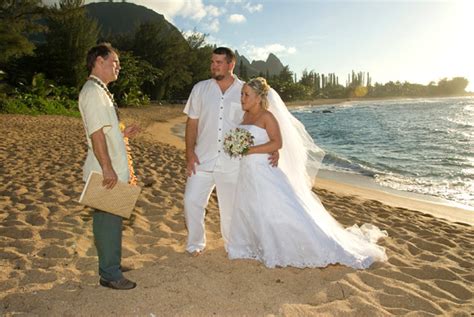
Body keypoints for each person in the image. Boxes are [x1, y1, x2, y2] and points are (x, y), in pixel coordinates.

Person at [227, 77, 388, 269]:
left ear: (258, 98)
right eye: (242, 94)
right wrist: (237, 146)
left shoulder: (267, 117)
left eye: (246, 94)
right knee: (251, 207)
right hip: (247, 172)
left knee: (276, 209)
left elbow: (277, 143)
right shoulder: (245, 117)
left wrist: (250, 150)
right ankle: (255, 245)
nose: (242, 98)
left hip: (264, 171)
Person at [183, 47, 278, 255]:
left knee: (230, 208)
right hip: (202, 158)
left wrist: (272, 147)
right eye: (212, 62)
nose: (214, 66)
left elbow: (260, 119)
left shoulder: (245, 90)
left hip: (232, 162)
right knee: (191, 201)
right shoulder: (200, 89)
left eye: (219, 62)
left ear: (231, 65)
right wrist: (189, 153)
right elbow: (191, 123)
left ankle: (232, 244)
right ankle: (195, 244)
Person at [79, 43, 140, 290]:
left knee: (113, 220)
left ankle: (111, 263)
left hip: (112, 165)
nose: (119, 66)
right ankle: (109, 274)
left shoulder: (100, 90)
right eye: (114, 62)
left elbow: (106, 130)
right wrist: (107, 167)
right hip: (106, 169)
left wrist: (123, 134)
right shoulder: (92, 92)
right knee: (107, 221)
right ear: (99, 62)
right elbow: (96, 134)